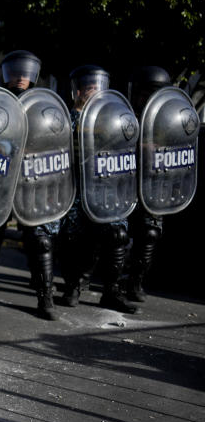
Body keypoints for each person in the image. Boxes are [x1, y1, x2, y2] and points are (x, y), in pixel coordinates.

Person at [56, 64, 137, 313]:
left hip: (106, 188)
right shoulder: (65, 119)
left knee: (117, 235)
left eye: (96, 87)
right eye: (88, 88)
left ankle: (112, 291)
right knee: (74, 237)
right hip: (76, 190)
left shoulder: (115, 117)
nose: (93, 92)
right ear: (77, 91)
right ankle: (73, 286)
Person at [0, 50, 42, 283]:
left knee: (32, 228)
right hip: (2, 174)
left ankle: (39, 275)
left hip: (31, 175)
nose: (20, 77)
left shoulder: (40, 103)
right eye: (15, 72)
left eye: (25, 73)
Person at [125, 65, 172, 301]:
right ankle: (106, 281)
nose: (146, 99)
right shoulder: (123, 116)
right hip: (121, 186)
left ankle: (135, 282)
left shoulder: (169, 120)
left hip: (153, 187)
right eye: (143, 93)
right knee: (116, 235)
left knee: (150, 233)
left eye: (152, 94)